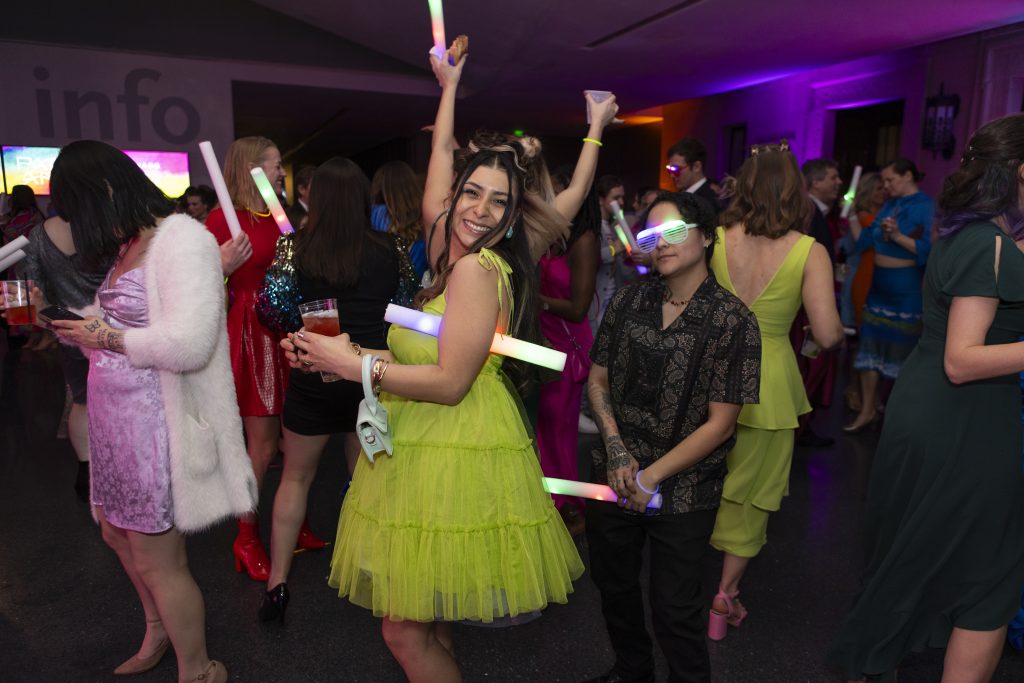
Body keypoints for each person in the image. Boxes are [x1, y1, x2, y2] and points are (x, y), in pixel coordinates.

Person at [281, 44, 581, 682]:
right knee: (429, 605)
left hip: (453, 434)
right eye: (472, 193)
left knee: (402, 628)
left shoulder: (476, 269)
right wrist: (334, 352)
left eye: (497, 202)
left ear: (512, 213)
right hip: (426, 438)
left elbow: (448, 382)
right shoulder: (450, 257)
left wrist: (355, 367)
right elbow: (440, 170)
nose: (478, 208)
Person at [44, 139, 256, 683]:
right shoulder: (128, 245)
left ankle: (200, 669)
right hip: (115, 422)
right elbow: (118, 324)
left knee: (161, 561)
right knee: (119, 537)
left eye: (79, 208)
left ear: (107, 191)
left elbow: (189, 342)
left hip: (153, 424)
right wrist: (74, 328)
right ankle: (158, 630)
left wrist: (104, 335)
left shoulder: (179, 238)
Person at [829, 112, 1024, 683]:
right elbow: (962, 360)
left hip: (939, 410)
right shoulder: (986, 244)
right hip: (962, 415)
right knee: (989, 574)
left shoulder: (977, 234)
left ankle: (880, 650)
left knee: (925, 551)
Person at [584, 191, 761, 683]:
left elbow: (721, 423)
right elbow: (597, 380)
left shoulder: (733, 321)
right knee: (614, 588)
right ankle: (632, 669)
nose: (661, 243)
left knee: (675, 613)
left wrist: (652, 477)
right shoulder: (628, 300)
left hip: (686, 488)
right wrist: (619, 452)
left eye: (675, 231)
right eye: (651, 235)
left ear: (706, 237)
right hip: (616, 474)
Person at [707, 142, 844, 639]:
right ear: (797, 192)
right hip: (770, 383)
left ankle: (681, 581)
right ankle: (723, 600)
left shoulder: (716, 240)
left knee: (705, 477)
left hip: (711, 375)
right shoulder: (810, 251)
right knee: (753, 492)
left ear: (742, 186)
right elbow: (828, 334)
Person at [261, 157, 406, 624]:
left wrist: (301, 336)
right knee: (370, 481)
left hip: (314, 375)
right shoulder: (391, 248)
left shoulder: (294, 247)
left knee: (295, 479)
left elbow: (271, 305)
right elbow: (404, 308)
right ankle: (378, 577)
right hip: (372, 377)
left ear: (315, 198)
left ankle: (277, 585)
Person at [205, 136, 320, 581]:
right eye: (273, 165)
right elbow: (200, 283)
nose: (279, 173)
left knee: (298, 437)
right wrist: (222, 266)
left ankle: (294, 523)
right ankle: (246, 536)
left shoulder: (277, 214)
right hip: (253, 331)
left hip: (288, 326)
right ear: (251, 168)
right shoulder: (222, 218)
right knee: (264, 444)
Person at [20, 215, 112, 499]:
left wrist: (44, 314)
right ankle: (116, 470)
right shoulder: (109, 225)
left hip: (67, 326)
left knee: (81, 400)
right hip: (111, 325)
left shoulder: (39, 234)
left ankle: (85, 473)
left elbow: (32, 283)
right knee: (117, 399)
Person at [845, 158, 933, 432]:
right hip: (878, 287)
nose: (885, 186)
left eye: (890, 180)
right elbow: (866, 242)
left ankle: (898, 419)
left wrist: (895, 236)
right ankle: (868, 410)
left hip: (905, 289)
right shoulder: (889, 204)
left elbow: (929, 250)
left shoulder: (926, 206)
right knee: (869, 349)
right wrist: (852, 218)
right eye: (883, 181)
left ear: (908, 175)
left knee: (901, 353)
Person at [537, 185, 600, 535]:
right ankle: (549, 504)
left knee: (559, 436)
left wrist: (539, 300)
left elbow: (578, 307)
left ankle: (570, 508)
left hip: (566, 346)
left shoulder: (585, 239)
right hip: (542, 342)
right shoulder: (552, 236)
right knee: (543, 432)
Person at [840, 173, 886, 412]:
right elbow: (860, 244)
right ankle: (853, 388)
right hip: (862, 280)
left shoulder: (886, 213)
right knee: (860, 340)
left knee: (876, 341)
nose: (883, 192)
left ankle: (870, 393)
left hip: (881, 279)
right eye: (879, 188)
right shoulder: (861, 217)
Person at [370, 160, 429, 281]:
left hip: (381, 292)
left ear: (379, 188)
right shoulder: (425, 217)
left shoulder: (374, 214)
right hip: (419, 295)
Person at [666, 138, 721, 212]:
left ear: (696, 166)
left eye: (676, 169)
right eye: (669, 169)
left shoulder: (709, 200)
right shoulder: (680, 195)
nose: (672, 175)